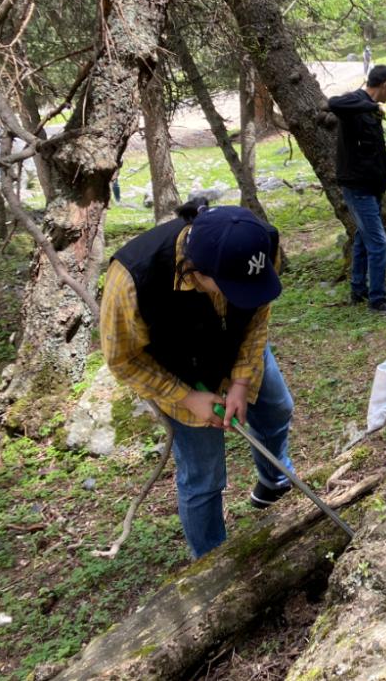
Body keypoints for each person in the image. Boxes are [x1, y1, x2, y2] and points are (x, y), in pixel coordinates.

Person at [100, 202, 295, 559]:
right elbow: (122, 359)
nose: (241, 295)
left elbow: (258, 315)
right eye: (232, 288)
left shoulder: (260, 245)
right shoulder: (133, 278)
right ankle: (210, 561)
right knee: (204, 476)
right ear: (195, 272)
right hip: (181, 373)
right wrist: (188, 398)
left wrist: (239, 383)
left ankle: (274, 481)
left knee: (278, 409)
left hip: (236, 348)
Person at [327, 65, 386, 315]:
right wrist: (371, 106)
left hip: (371, 186)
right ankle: (377, 300)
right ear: (385, 85)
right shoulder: (356, 101)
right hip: (358, 188)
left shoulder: (369, 112)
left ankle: (358, 289)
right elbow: (333, 103)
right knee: (379, 244)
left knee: (364, 241)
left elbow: (372, 151)